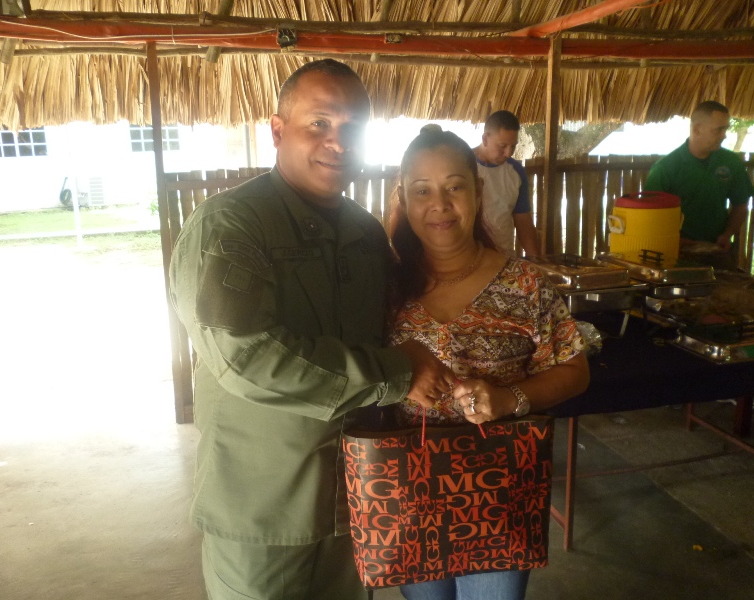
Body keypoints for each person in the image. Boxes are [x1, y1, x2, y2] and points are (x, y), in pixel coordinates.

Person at [168, 59, 455, 600]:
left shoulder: (364, 234)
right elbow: (243, 355)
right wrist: (396, 374)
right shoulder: (232, 224)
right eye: (319, 123)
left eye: (353, 128)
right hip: (263, 507)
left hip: (357, 496)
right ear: (278, 130)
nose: (338, 142)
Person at [386, 125, 590, 600]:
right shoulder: (383, 286)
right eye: (422, 190)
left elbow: (574, 370)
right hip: (409, 492)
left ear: (478, 192)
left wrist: (508, 398)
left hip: (499, 494)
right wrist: (399, 371)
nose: (440, 204)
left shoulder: (525, 284)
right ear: (404, 197)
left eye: (454, 187)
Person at [644, 100, 754, 265]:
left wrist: (727, 235)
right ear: (697, 129)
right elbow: (649, 216)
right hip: (676, 255)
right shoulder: (665, 168)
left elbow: (741, 204)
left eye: (725, 129)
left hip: (717, 252)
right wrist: (674, 241)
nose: (724, 135)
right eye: (718, 129)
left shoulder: (731, 162)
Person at [473, 110, 541, 257]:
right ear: (485, 139)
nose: (508, 153)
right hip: (471, 259)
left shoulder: (516, 172)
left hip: (504, 257)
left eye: (513, 146)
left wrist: (536, 260)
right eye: (502, 146)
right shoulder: (464, 165)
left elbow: (523, 220)